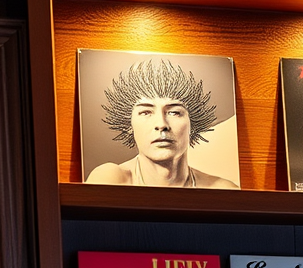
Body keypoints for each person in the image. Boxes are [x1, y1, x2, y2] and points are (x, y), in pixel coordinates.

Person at [86, 56, 238, 189]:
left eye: (174, 112)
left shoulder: (222, 189)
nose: (161, 124)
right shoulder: (110, 179)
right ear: (129, 125)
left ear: (192, 124)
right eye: (146, 112)